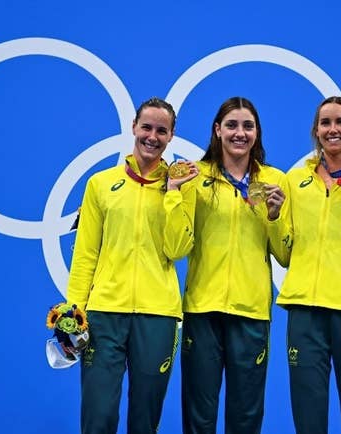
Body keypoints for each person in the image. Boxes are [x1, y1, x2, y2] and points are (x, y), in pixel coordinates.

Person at [66, 97, 196, 434]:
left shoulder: (183, 187)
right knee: (98, 417)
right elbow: (85, 255)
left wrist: (172, 193)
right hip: (105, 314)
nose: (152, 136)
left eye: (161, 131)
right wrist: (73, 311)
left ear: (171, 137)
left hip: (158, 316)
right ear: (134, 128)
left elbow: (178, 248)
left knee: (145, 420)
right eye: (147, 128)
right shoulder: (100, 184)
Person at [163, 96, 290, 434]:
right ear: (217, 130)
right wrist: (174, 193)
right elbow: (176, 247)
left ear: (257, 132)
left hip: (251, 314)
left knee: (246, 418)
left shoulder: (274, 181)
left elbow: (285, 255)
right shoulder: (194, 176)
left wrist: (275, 216)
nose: (240, 133)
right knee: (198, 417)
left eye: (248, 126)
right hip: (203, 310)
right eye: (231, 125)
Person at [276, 96, 341, 434]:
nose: (332, 129)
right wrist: (274, 216)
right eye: (325, 123)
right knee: (308, 420)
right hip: (304, 312)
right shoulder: (294, 182)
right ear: (315, 131)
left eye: (340, 122)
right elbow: (283, 253)